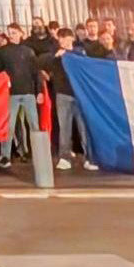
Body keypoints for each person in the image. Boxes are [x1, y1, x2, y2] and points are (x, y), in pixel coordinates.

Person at [39, 29, 97, 172]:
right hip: (62, 95)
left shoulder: (79, 53)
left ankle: (88, 158)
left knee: (83, 127)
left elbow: (88, 66)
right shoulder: (56, 55)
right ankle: (64, 158)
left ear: (71, 38)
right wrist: (55, 57)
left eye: (65, 38)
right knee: (64, 128)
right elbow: (41, 64)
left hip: (79, 95)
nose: (63, 41)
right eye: (60, 38)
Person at [0, 24, 43, 168]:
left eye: (14, 32)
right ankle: (5, 156)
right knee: (9, 127)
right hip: (11, 94)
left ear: (21, 33)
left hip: (28, 92)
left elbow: (36, 72)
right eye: (10, 33)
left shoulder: (28, 51)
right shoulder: (2, 52)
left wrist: (39, 91)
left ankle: (40, 154)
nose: (11, 35)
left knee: (34, 125)